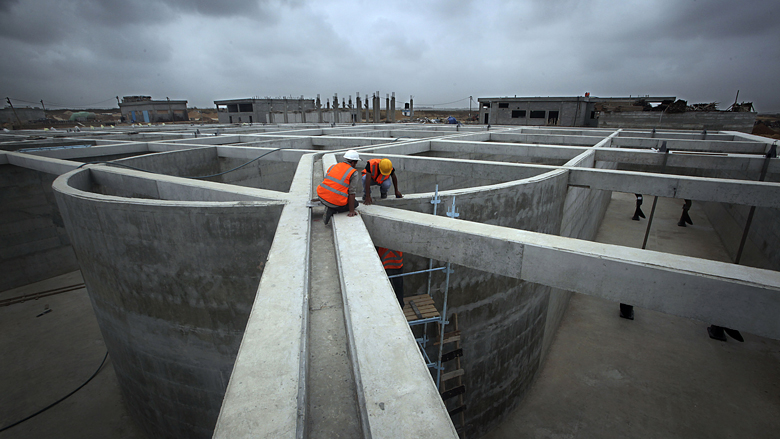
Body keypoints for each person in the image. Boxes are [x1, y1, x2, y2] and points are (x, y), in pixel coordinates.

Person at [317, 150, 361, 225]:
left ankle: (330, 205)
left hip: (321, 196)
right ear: (353, 162)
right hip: (333, 202)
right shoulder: (353, 173)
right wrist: (351, 211)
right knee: (355, 203)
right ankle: (332, 209)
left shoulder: (333, 166)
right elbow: (352, 192)